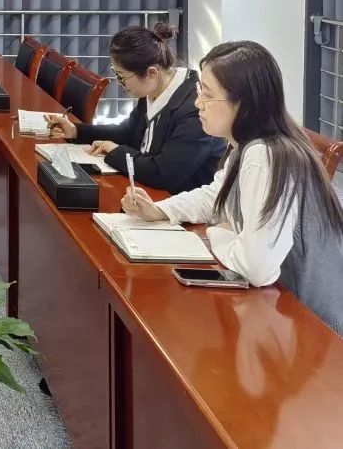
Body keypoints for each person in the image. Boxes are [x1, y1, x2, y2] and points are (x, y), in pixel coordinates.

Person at [122, 41, 343, 335]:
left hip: (311, 330)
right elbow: (215, 195)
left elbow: (256, 268)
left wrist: (218, 233)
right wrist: (159, 210)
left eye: (207, 94)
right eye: (200, 90)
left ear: (244, 104)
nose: (197, 103)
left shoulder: (264, 156)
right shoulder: (249, 145)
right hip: (280, 314)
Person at [45, 23, 224, 192]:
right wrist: (76, 131)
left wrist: (116, 151)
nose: (119, 83)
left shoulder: (194, 110)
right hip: (146, 190)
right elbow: (129, 132)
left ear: (151, 73)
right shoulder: (155, 88)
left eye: (122, 77)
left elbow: (163, 173)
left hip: (179, 202)